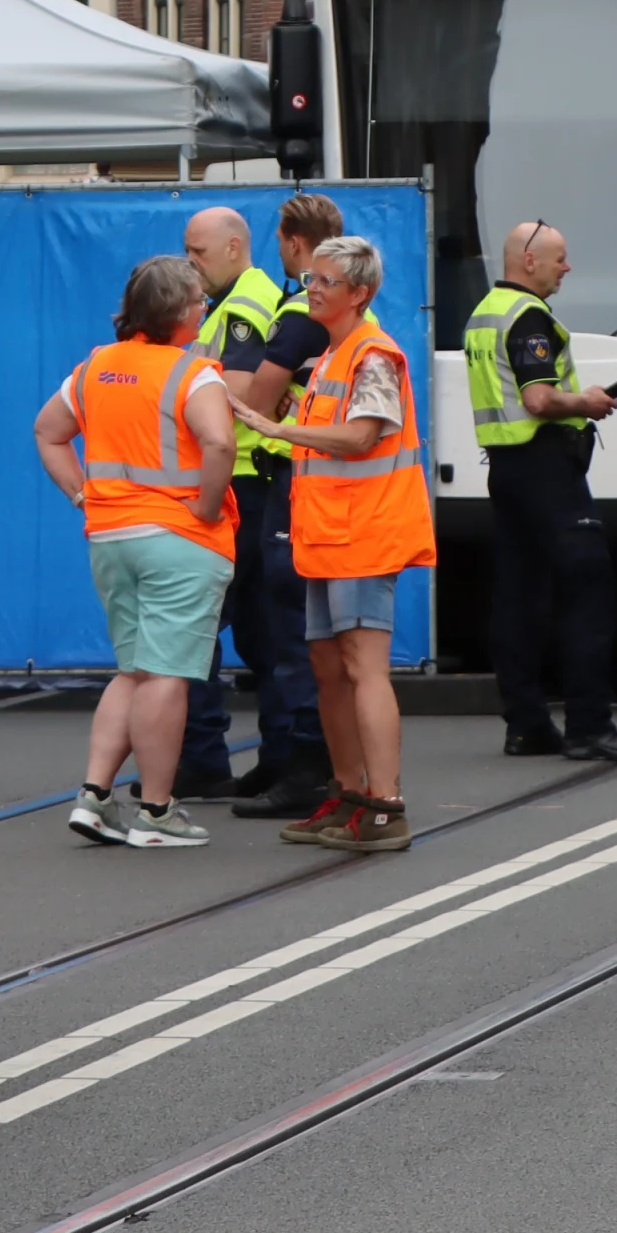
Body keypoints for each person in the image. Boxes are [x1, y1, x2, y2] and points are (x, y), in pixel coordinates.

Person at [33, 255, 237, 849]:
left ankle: (95, 796)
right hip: (179, 537)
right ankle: (156, 810)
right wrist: (204, 505)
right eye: (199, 301)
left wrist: (81, 494)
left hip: (111, 536)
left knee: (135, 668)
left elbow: (48, 432)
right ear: (178, 311)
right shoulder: (193, 373)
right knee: (168, 675)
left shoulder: (97, 366)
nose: (204, 308)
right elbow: (220, 442)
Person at [232, 234, 428, 854]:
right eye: (310, 279)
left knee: (361, 668)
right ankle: (345, 795)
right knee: (328, 668)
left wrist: (278, 425)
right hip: (330, 538)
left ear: (359, 294)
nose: (309, 289)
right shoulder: (335, 356)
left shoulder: (372, 354)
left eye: (324, 282)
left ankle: (385, 804)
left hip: (364, 535)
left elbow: (362, 436)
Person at [465, 221, 617, 766]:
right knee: (588, 585)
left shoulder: (483, 314)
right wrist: (588, 401)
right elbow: (541, 399)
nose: (566, 268)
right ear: (529, 261)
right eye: (560, 259)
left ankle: (526, 725)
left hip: (506, 470)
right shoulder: (528, 318)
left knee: (519, 598)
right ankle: (590, 725)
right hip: (546, 467)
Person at [178, 204, 319, 805]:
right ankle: (274, 757)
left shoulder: (246, 306)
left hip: (246, 485)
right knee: (259, 634)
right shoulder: (231, 302)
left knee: (213, 627)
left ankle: (220, 759)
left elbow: (232, 392)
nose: (191, 264)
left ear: (235, 249)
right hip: (242, 481)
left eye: (199, 254)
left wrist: (179, 372)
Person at [224, 193, 344, 820]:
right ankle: (284, 755)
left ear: (294, 242)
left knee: (289, 626)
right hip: (318, 481)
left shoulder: (298, 314)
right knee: (288, 627)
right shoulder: (349, 314)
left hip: (287, 479)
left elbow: (259, 400)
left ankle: (302, 765)